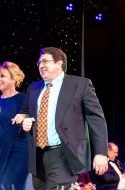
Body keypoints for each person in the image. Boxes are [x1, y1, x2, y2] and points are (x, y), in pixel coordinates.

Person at [13, 47, 109, 190]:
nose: (41, 66)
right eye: (39, 63)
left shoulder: (80, 85)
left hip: (64, 154)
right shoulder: (33, 88)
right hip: (37, 155)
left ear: (59, 63)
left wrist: (101, 152)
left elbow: (96, 119)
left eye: (45, 61)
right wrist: (22, 122)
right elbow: (22, 114)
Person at [0, 61, 28, 190]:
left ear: (13, 79)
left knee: (5, 185)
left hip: (18, 151)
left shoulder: (24, 99)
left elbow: (31, 124)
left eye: (3, 76)